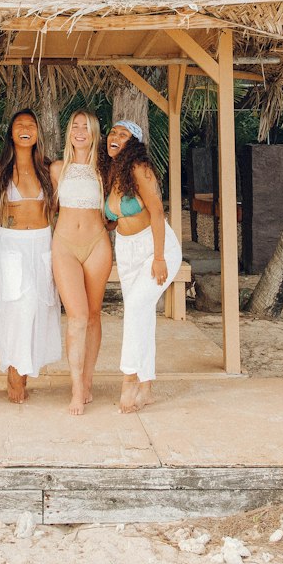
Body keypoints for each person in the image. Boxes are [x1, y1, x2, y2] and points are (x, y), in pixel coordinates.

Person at [103, 119, 182, 414]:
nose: (115, 136)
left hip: (155, 246)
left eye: (123, 134)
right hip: (126, 250)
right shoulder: (111, 172)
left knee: (135, 307)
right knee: (142, 313)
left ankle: (129, 378)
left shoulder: (139, 169)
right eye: (113, 131)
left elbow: (158, 211)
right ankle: (147, 386)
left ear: (133, 144)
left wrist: (160, 257)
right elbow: (115, 216)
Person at [0, 110, 61, 402]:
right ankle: (15, 373)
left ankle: (23, 371)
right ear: (10, 133)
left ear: (37, 133)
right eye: (19, 124)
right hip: (11, 244)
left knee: (39, 308)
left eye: (31, 124)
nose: (25, 128)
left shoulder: (48, 169)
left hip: (42, 242)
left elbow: (62, 208)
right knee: (16, 309)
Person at [50, 111, 111, 416]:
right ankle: (76, 388)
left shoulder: (104, 170)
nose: (79, 131)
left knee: (94, 315)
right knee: (77, 316)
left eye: (85, 127)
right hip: (64, 246)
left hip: (97, 245)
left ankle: (88, 379)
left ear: (94, 132)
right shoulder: (57, 169)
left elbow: (120, 206)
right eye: (74, 125)